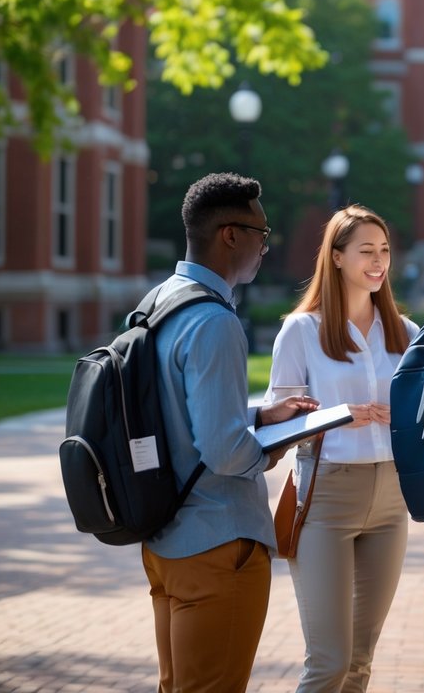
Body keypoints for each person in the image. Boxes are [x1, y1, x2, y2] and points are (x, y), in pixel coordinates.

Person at [142, 172, 319, 693]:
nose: (266, 246)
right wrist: (271, 449)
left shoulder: (157, 303)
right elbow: (224, 452)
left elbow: (178, 410)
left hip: (164, 537)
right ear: (231, 235)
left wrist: (260, 417)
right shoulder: (215, 321)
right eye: (262, 235)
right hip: (221, 542)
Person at [268, 205, 418, 692]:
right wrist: (335, 415)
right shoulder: (302, 331)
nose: (379, 262)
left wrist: (406, 418)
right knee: (329, 661)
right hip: (326, 497)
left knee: (359, 661)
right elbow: (277, 423)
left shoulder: (407, 334)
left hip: (392, 498)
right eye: (366, 252)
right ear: (335, 257)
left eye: (385, 251)